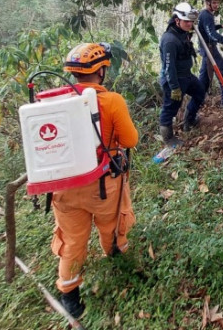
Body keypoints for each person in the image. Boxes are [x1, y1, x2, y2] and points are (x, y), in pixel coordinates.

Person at [53, 42, 139, 319]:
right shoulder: (111, 100)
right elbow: (130, 140)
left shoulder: (54, 102)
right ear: (101, 71)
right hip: (102, 186)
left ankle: (69, 294)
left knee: (72, 240)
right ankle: (116, 258)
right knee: (110, 227)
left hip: (63, 187)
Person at [159, 2, 204, 143]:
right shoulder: (170, 40)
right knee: (170, 108)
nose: (189, 24)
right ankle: (168, 138)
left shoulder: (183, 32)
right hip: (174, 79)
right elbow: (169, 67)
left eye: (191, 21)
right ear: (177, 20)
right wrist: (174, 87)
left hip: (187, 75)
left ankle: (189, 121)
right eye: (186, 21)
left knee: (200, 92)